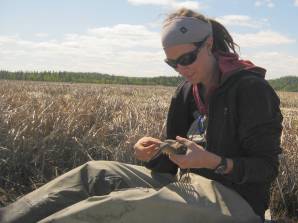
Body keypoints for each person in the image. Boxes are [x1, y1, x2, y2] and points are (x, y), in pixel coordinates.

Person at [0, 8, 282, 223]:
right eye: (173, 64)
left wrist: (214, 162)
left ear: (208, 44)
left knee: (113, 206)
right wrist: (157, 153)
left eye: (187, 59)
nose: (181, 69)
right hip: (188, 187)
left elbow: (266, 168)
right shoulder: (186, 92)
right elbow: (169, 166)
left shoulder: (251, 89)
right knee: (95, 173)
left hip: (237, 203)